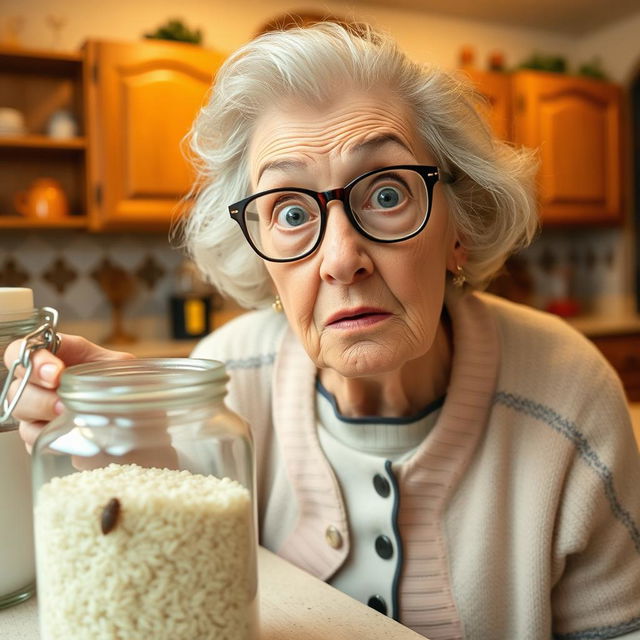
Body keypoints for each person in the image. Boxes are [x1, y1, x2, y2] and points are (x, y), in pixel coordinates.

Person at [6, 23, 640, 640]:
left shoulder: (568, 391)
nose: (341, 259)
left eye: (386, 194)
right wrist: (137, 443)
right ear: (259, 257)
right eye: (289, 210)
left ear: (461, 226)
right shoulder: (225, 380)